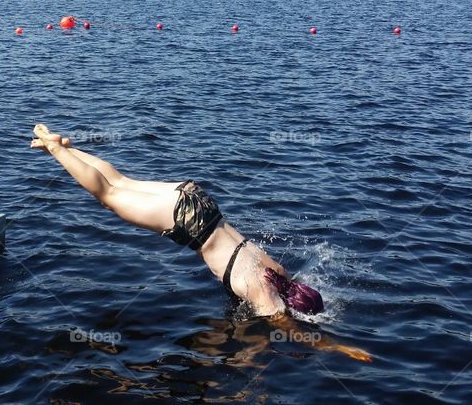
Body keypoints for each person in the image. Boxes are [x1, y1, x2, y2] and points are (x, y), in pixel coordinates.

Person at [31, 123, 371, 362]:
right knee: (108, 195)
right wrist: (336, 349)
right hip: (188, 222)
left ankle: (68, 149)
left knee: (120, 181)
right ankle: (54, 149)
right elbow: (289, 328)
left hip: (198, 200)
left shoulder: (277, 273)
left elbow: (294, 299)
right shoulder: (263, 294)